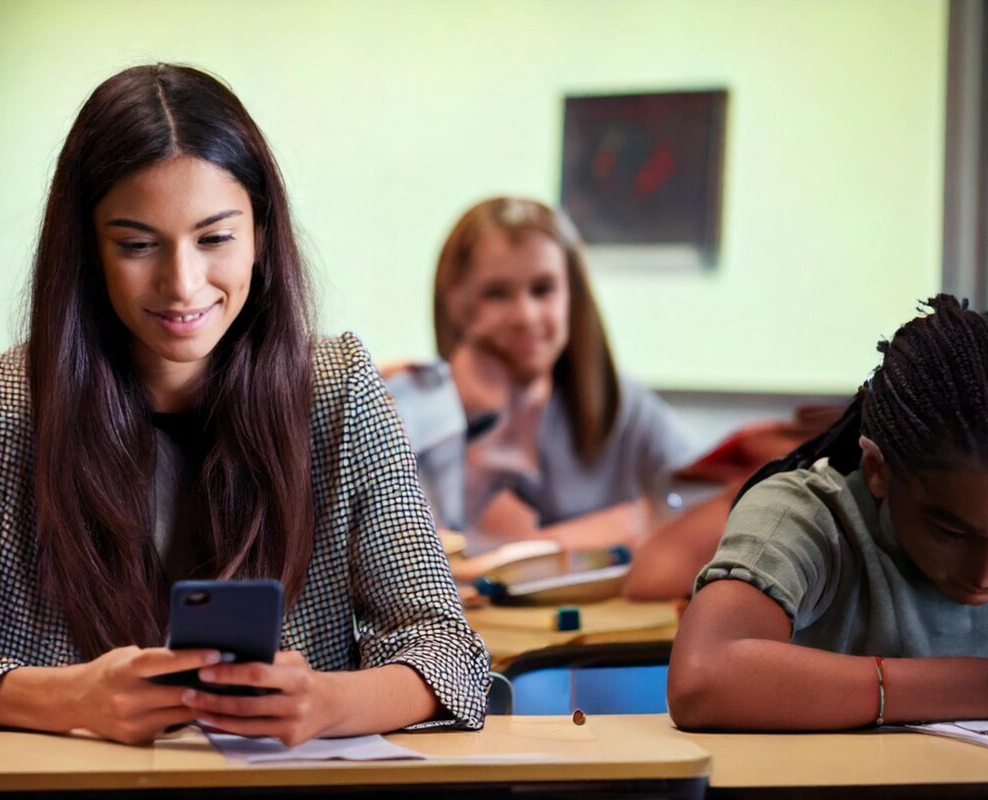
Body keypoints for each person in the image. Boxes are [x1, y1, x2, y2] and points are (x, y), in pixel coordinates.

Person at [0, 64, 488, 746]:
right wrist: (73, 696)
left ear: (262, 237)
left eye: (215, 238)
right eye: (137, 245)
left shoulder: (337, 390)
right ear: (88, 251)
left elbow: (452, 653)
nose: (182, 285)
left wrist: (332, 702)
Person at [668, 295, 988, 730]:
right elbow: (702, 676)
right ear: (878, 470)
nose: (983, 573)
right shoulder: (807, 516)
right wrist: (964, 688)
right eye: (950, 532)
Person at [388, 197, 698, 555]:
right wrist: (619, 528)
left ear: (572, 298)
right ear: (455, 303)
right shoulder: (411, 414)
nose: (526, 316)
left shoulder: (619, 402)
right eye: (497, 294)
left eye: (543, 289)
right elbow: (421, 556)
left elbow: (703, 501)